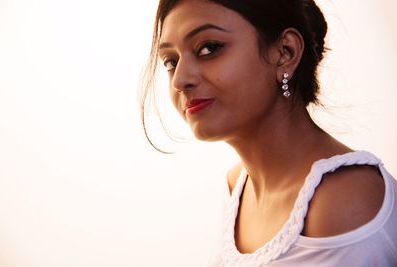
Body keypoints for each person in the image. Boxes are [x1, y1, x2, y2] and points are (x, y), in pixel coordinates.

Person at [140, 0, 397, 266]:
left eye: (208, 48)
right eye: (170, 62)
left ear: (285, 52)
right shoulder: (237, 186)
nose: (180, 80)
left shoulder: (345, 199)